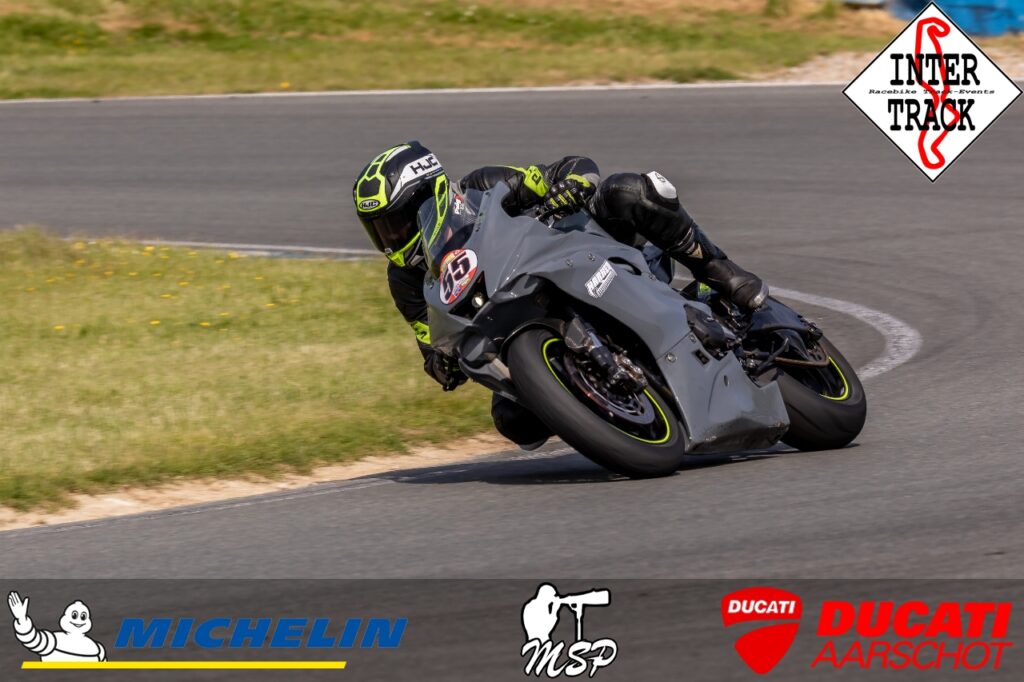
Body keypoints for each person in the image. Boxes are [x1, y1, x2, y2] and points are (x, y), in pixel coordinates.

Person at [352, 141, 767, 449]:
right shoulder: (405, 280)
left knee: (627, 191)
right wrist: (442, 365)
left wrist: (570, 186)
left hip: (589, 253)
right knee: (513, 421)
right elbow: (429, 340)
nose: (391, 238)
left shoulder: (481, 186)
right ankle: (600, 410)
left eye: (397, 223)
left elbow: (572, 168)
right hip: (513, 319)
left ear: (430, 195)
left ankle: (724, 274)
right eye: (380, 230)